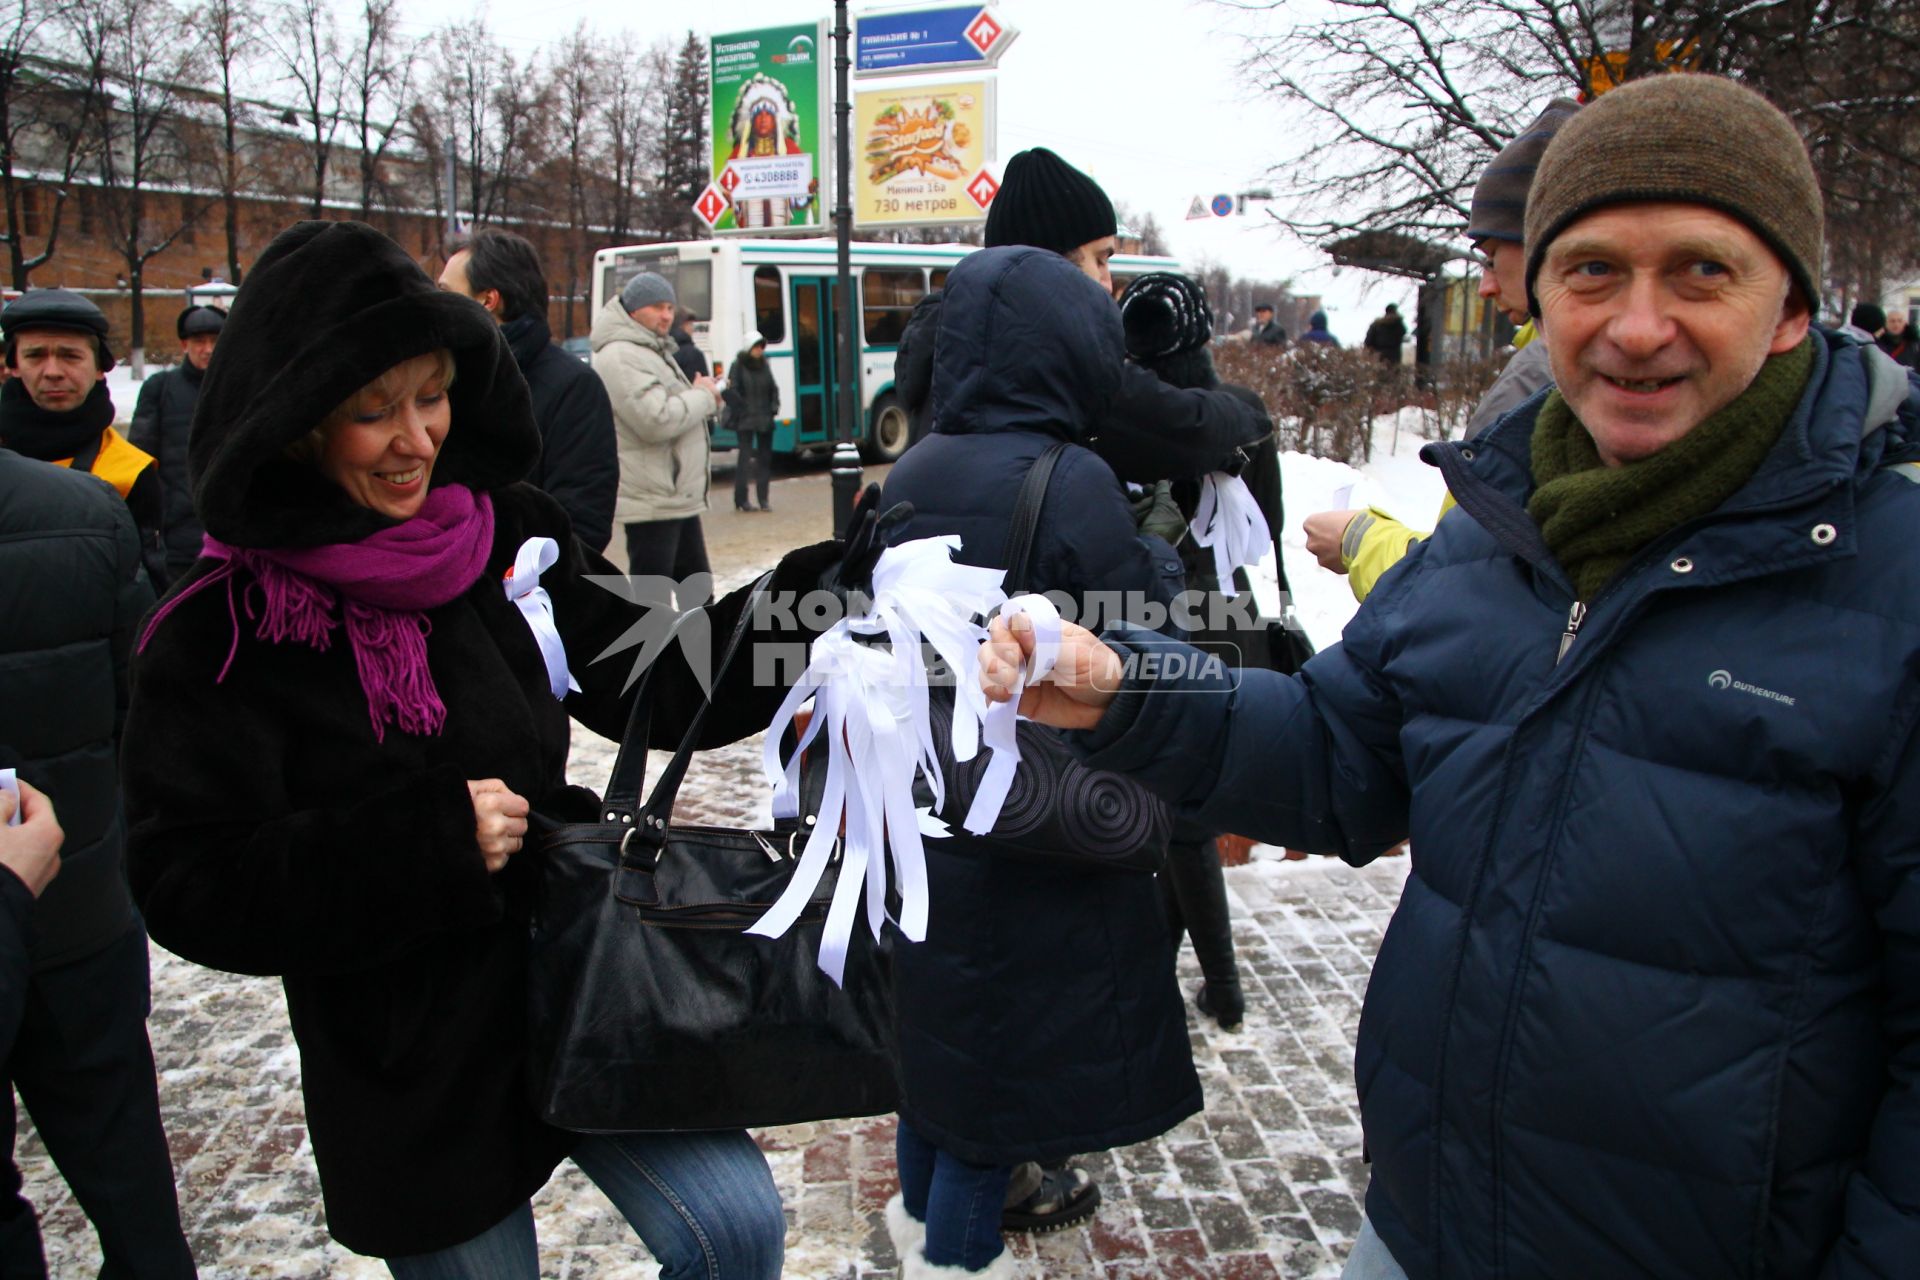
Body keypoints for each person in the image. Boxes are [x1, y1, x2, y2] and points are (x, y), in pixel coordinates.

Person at [983, 74, 1920, 1280]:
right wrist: (1132, 691)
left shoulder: (1889, 582)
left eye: (1699, 271)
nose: (1638, 325)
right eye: (1592, 273)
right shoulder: (1501, 520)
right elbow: (1342, 755)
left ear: (1790, 305)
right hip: (1429, 1222)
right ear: (1541, 300)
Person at [121, 220, 860, 1275]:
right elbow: (186, 874)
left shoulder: (504, 535)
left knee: (734, 1223)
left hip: (583, 982)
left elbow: (661, 665)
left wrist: (820, 596)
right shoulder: (223, 627)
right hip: (410, 1066)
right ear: (296, 427)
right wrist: (422, 843)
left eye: (431, 395)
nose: (416, 437)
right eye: (373, 412)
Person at [879, 247, 1201, 1279]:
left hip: (929, 801)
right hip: (1037, 811)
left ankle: (918, 1224)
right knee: (1000, 1083)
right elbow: (1136, 630)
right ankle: (958, 1258)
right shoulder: (1074, 477)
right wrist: (1156, 544)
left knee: (939, 1047)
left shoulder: (918, 462)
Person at [0, 440, 195, 1276]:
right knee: (127, 1172)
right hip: (79, 903)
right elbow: (145, 714)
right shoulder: (83, 510)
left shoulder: (85, 512)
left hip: (75, 903)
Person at [1116, 270, 1305, 1035]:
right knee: (1187, 801)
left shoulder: (1124, 421)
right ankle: (1195, 980)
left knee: (1179, 809)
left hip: (1154, 617)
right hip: (1228, 615)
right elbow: (1274, 519)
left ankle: (1208, 984)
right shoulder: (1241, 419)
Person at [1303, 98, 1579, 601]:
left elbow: (1461, 588)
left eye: (1494, 259)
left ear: (1547, 243)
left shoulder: (1533, 382)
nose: (1487, 287)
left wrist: (1359, 540)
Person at [892, 147, 1268, 477]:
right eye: (1100, 259)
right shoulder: (1053, 355)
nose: (1107, 283)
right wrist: (1247, 409)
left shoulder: (950, 339)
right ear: (1054, 262)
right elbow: (1181, 430)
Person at [438, 229, 618, 553]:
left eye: (446, 292)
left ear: (488, 300)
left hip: (517, 594)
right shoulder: (439, 384)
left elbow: (582, 527)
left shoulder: (572, 387)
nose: (436, 305)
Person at [0, 289, 168, 586]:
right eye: (35, 355)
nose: (53, 371)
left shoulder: (130, 473)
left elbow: (145, 594)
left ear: (101, 367)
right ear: (13, 365)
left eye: (70, 356)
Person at [592, 271, 718, 605]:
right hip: (652, 499)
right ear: (634, 309)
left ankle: (710, 656)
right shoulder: (620, 355)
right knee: (654, 606)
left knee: (700, 599)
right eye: (658, 307)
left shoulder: (648, 349)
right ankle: (659, 659)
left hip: (674, 495)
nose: (667, 316)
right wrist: (703, 397)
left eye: (670, 308)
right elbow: (654, 419)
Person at [131, 303, 223, 580]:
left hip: (231, 537)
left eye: (215, 341)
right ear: (185, 344)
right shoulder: (160, 388)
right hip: (175, 539)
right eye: (199, 341)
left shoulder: (240, 390)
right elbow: (139, 459)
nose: (207, 349)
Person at [725, 333, 777, 513]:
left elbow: (773, 389)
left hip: (764, 419)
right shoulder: (738, 365)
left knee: (764, 460)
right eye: (756, 346)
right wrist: (742, 410)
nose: (759, 350)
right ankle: (741, 500)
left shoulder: (765, 365)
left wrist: (773, 408)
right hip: (746, 420)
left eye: (761, 347)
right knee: (744, 460)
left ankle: (763, 499)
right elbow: (732, 391)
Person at [670, 308, 709, 383]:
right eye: (691, 324)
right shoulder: (693, 354)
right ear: (683, 325)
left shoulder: (663, 349)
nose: (693, 329)